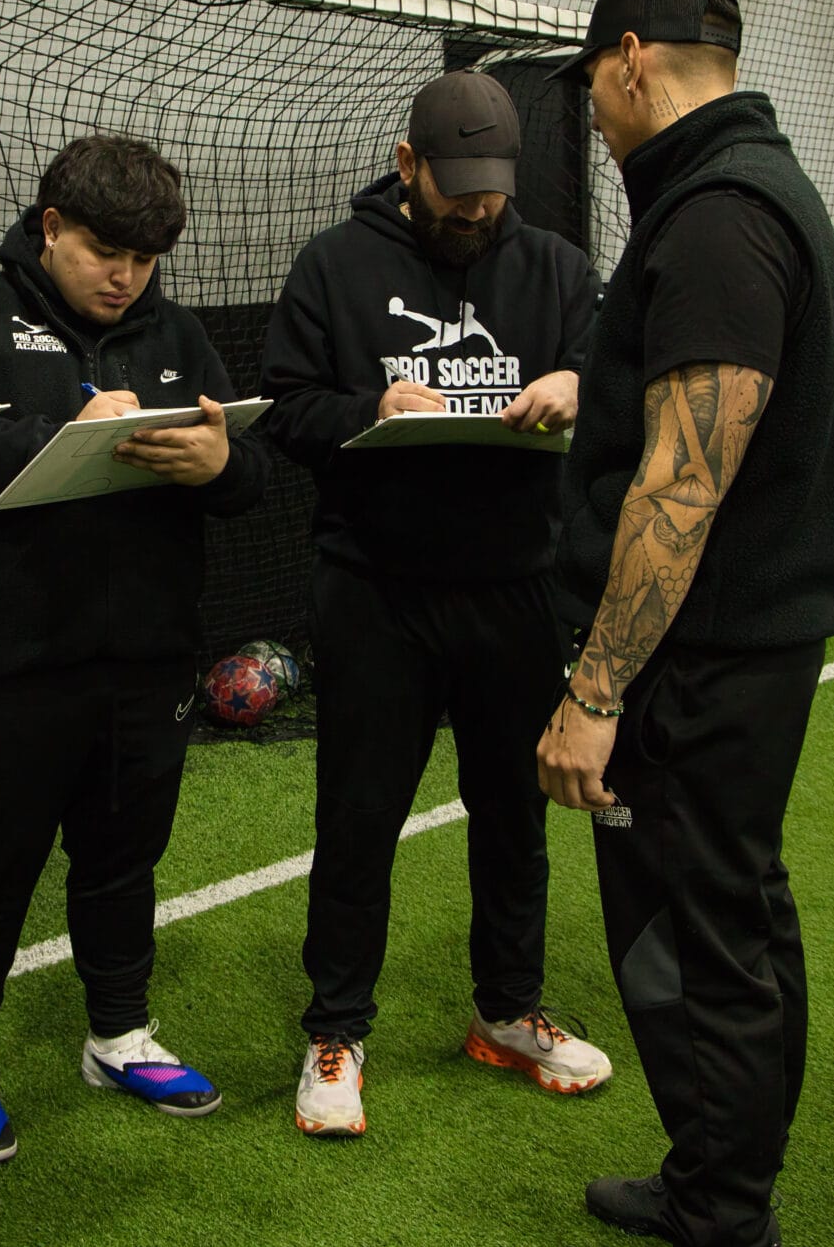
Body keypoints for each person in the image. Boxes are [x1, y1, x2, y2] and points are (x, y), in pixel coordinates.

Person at [531, 0, 834, 1247]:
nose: (590, 118)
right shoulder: (740, 185)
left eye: (589, 89)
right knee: (731, 922)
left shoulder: (717, 213)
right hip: (736, 652)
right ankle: (716, 1190)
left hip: (693, 669)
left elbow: (682, 482)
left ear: (626, 62)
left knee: (696, 949)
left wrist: (594, 690)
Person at [259, 71, 612, 1138]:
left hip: (514, 590)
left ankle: (506, 1010)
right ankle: (337, 1030)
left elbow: (621, 371)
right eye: (455, 193)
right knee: (360, 816)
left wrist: (580, 386)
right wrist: (371, 405)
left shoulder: (554, 266)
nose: (475, 213)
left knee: (515, 817)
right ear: (407, 164)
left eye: (491, 196)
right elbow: (286, 406)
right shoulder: (335, 263)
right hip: (378, 592)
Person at [0, 133, 268, 1162]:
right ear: (51, 225)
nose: (125, 276)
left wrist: (217, 460)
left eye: (146, 257)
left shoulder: (176, 331)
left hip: (147, 663)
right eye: (107, 250)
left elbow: (251, 478)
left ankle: (118, 1033)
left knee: (122, 863)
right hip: (5, 667)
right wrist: (71, 422)